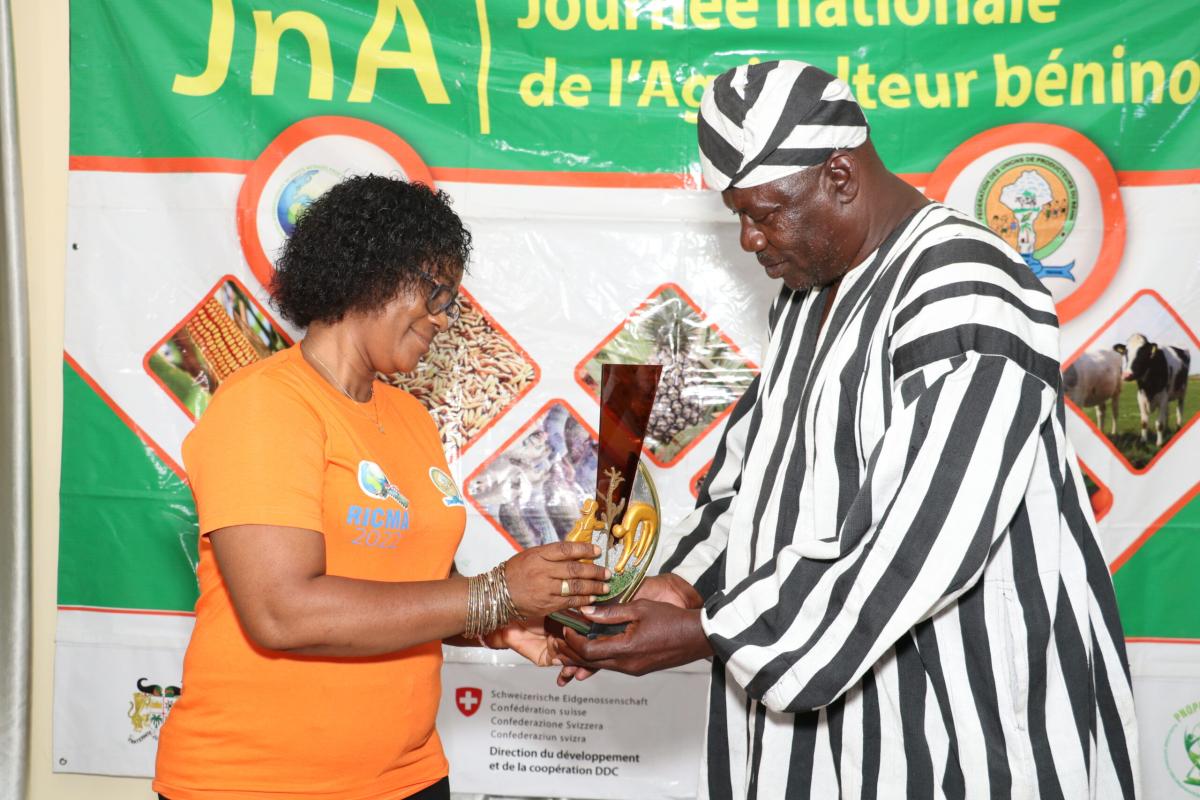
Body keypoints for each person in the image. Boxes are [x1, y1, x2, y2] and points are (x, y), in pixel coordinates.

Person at [555, 60, 1139, 799]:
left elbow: (926, 531)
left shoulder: (963, 281)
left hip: (970, 717)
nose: (749, 239)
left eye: (764, 213)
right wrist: (676, 590)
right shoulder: (808, 298)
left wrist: (711, 632)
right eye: (738, 215)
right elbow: (752, 486)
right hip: (834, 718)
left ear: (838, 176)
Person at [154, 175, 610, 800]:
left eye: (451, 301)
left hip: (410, 777)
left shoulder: (410, 417)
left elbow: (419, 590)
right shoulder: (265, 404)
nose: (443, 318)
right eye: (436, 292)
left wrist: (500, 622)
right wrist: (495, 595)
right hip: (259, 783)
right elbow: (283, 612)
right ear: (372, 273)